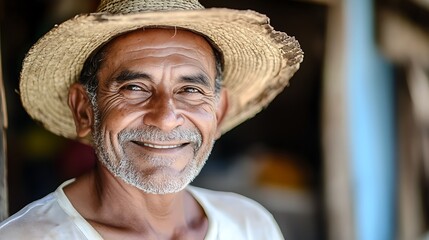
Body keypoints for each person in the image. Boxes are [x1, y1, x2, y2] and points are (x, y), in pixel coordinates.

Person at [0, 0, 303, 239]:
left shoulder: (250, 226)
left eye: (190, 89)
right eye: (134, 88)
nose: (166, 118)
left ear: (219, 112)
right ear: (84, 110)